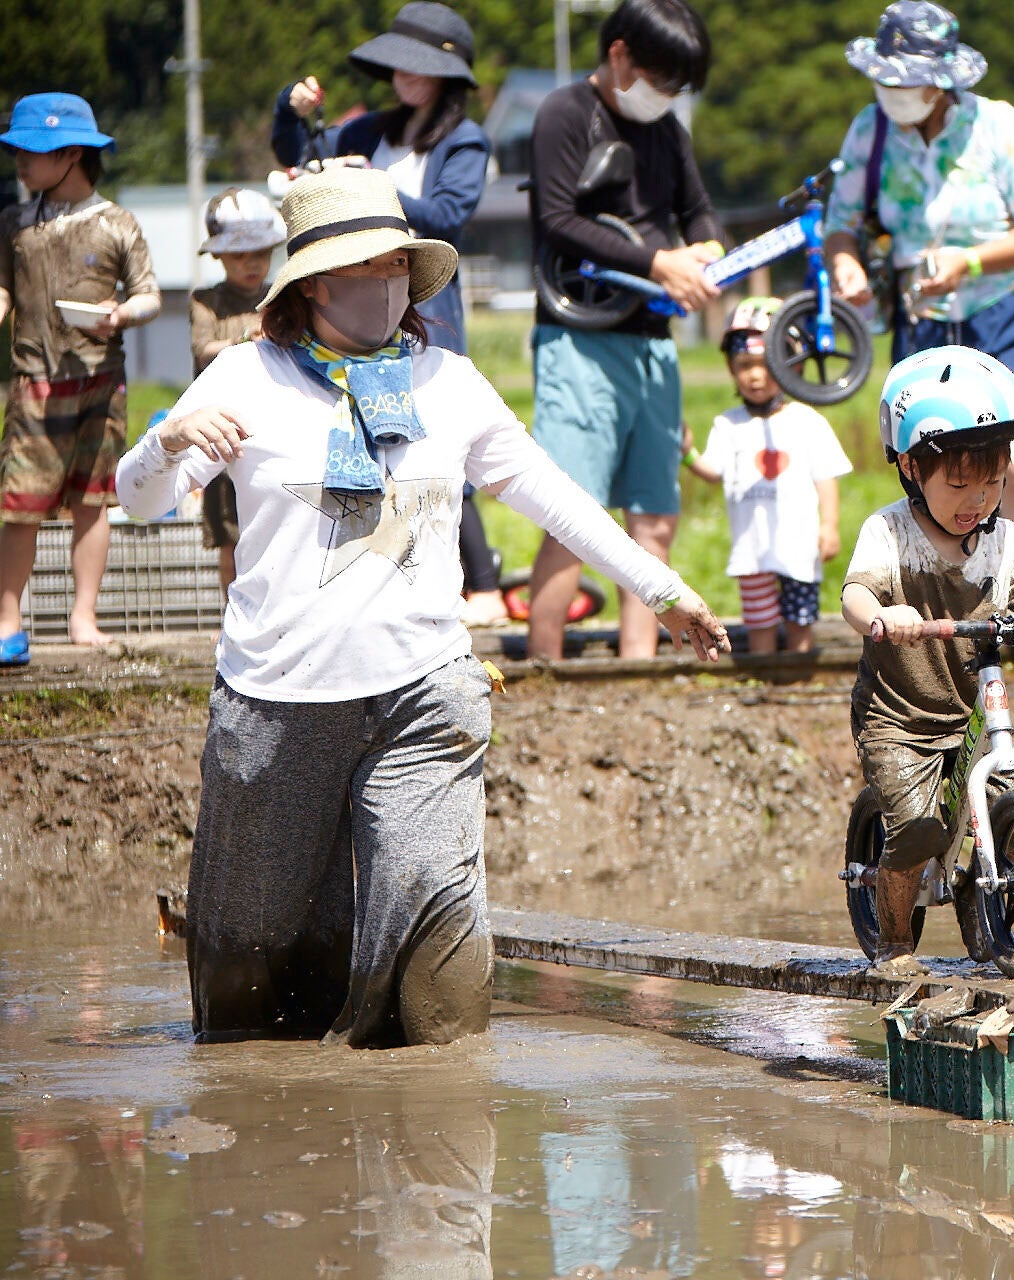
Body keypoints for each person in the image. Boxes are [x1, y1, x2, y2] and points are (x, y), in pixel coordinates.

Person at [115, 166, 726, 1047]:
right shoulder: (244, 378)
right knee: (251, 967)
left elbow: (550, 493)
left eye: (400, 266)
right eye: (367, 269)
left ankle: (440, 1140)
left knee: (435, 949)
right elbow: (141, 500)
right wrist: (165, 438)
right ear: (314, 284)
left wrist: (660, 589)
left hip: (424, 694)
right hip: (277, 698)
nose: (387, 285)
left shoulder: (448, 383)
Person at [841, 347, 1014, 979]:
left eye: (992, 482)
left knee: (996, 802)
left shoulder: (1004, 540)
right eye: (959, 483)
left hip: (968, 707)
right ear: (911, 467)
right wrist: (885, 618)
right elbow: (855, 594)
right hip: (899, 716)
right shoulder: (890, 533)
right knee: (916, 827)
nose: (978, 499)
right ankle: (893, 942)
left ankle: (993, 924)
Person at [824, 0, 1014, 689]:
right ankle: (943, 632)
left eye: (911, 80)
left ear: (945, 78)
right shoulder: (869, 131)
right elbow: (840, 221)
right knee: (932, 482)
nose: (896, 93)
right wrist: (844, 264)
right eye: (888, 79)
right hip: (925, 326)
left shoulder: (995, 125)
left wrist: (970, 260)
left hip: (1005, 307)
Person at [272, 1, 505, 625]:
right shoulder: (365, 129)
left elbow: (450, 216)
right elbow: (304, 162)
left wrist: (373, 183)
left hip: (424, 300)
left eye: (419, 67)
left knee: (432, 435)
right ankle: (388, 574)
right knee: (366, 434)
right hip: (349, 305)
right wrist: (287, 110)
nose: (404, 77)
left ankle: (481, 585)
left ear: (447, 77)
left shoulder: (465, 139)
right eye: (397, 64)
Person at [525, 0, 723, 662]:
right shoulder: (564, 113)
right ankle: (545, 674)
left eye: (677, 86)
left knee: (654, 519)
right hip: (580, 339)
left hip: (653, 345)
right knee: (571, 519)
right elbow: (556, 219)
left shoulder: (666, 127)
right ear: (619, 56)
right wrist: (658, 260)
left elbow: (697, 212)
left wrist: (709, 252)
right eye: (661, 78)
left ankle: (636, 669)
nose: (666, 96)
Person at [0, 92, 159, 665]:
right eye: (16, 150)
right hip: (34, 381)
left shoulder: (117, 224)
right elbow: (5, 290)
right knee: (18, 502)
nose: (19, 161)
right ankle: (7, 620)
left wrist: (120, 314)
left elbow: (149, 297)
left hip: (99, 381)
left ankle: (83, 615)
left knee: (93, 500)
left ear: (70, 154)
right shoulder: (15, 224)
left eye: (30, 150)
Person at [682, 298, 852, 655]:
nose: (755, 375)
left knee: (800, 621)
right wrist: (687, 453)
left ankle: (798, 675)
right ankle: (764, 675)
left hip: (799, 546)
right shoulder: (728, 424)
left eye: (765, 365)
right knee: (759, 622)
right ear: (731, 368)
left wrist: (830, 525)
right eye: (744, 365)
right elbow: (713, 471)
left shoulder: (807, 420)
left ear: (792, 365)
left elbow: (826, 478)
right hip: (753, 548)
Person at [191, 188, 285, 597]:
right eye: (240, 255)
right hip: (222, 428)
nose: (253, 264)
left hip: (272, 424)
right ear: (219, 257)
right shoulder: (206, 301)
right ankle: (231, 613)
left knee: (275, 525)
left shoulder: (283, 294)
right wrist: (244, 339)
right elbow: (202, 349)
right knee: (230, 530)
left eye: (261, 254)